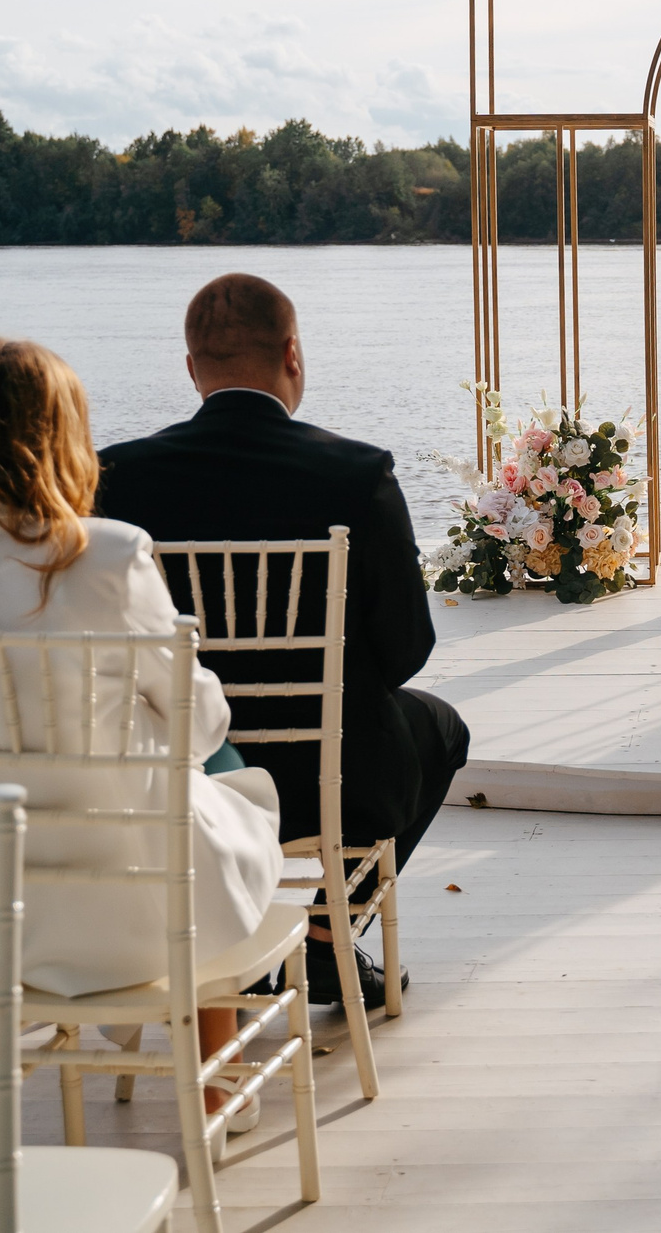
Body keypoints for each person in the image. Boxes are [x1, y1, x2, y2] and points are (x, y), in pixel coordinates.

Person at [0, 338, 285, 996]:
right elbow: (205, 726)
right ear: (65, 440)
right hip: (165, 911)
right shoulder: (108, 557)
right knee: (225, 771)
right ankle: (223, 1028)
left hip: (1, 927)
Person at [97, 273, 466, 1011]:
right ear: (292, 355)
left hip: (184, 772)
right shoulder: (357, 473)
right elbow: (406, 649)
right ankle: (328, 933)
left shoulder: (118, 476)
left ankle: (247, 938)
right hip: (330, 777)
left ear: (191, 365)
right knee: (438, 726)